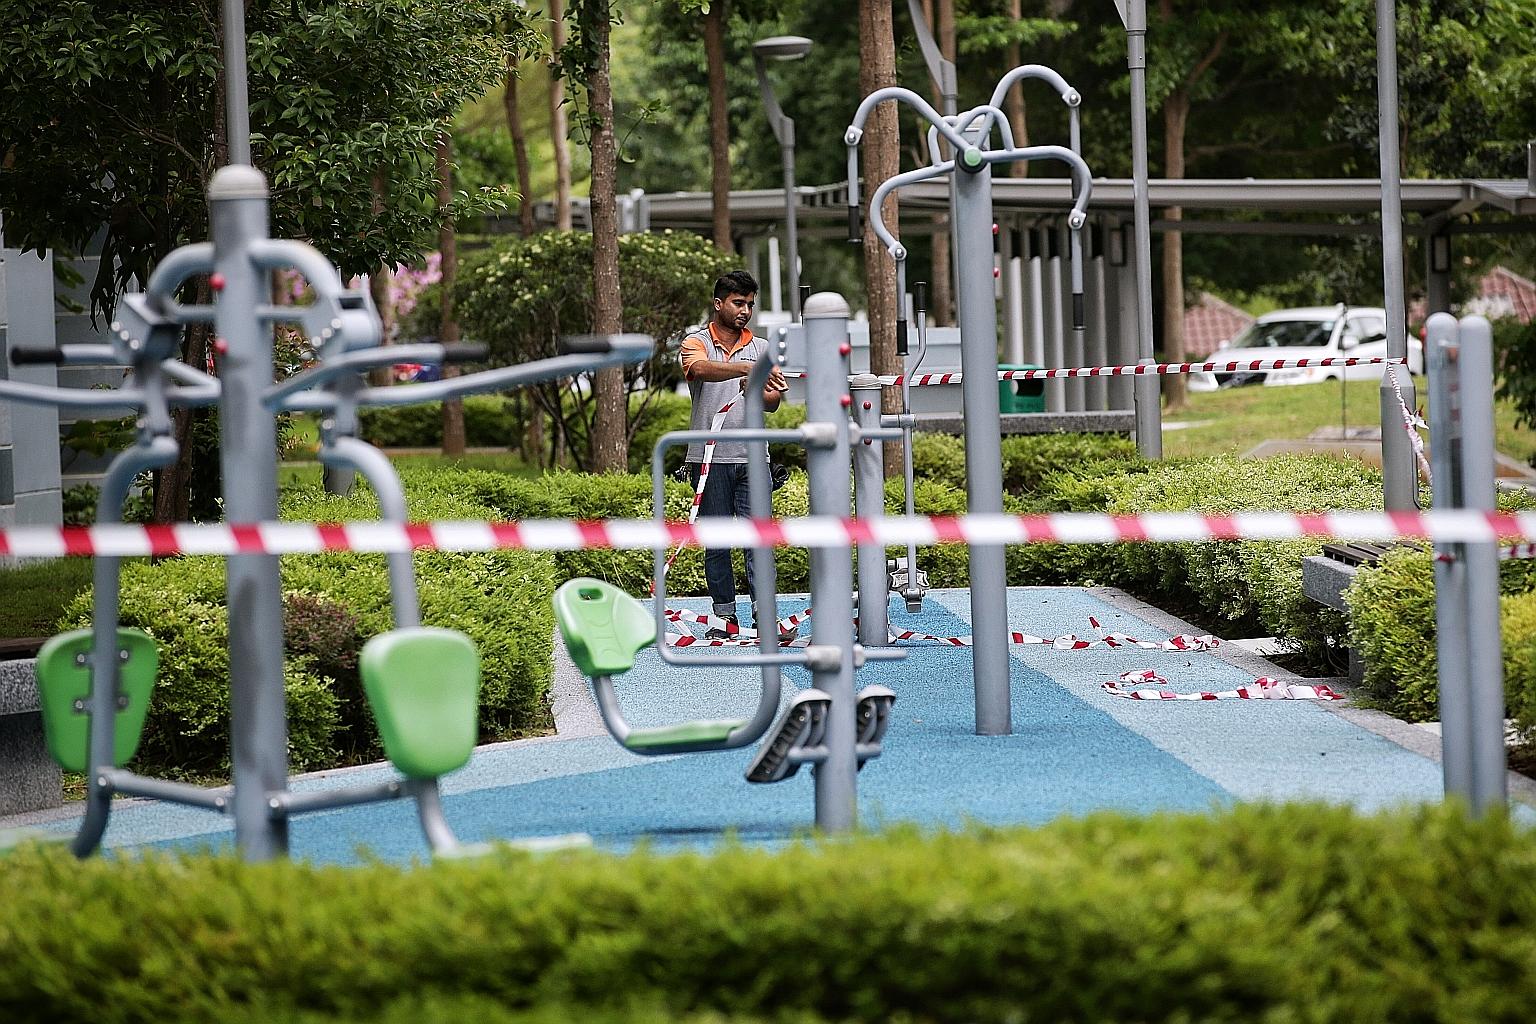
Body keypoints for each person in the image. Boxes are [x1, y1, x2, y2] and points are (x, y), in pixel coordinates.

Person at [678, 270, 794, 641]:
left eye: (750, 305)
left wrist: (755, 386)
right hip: (708, 459)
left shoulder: (762, 348)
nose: (745, 311)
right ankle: (723, 618)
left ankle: (765, 617)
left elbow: (773, 402)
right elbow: (698, 369)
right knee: (717, 542)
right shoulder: (695, 342)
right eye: (738, 303)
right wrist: (745, 369)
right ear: (718, 304)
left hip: (754, 459)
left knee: (758, 540)